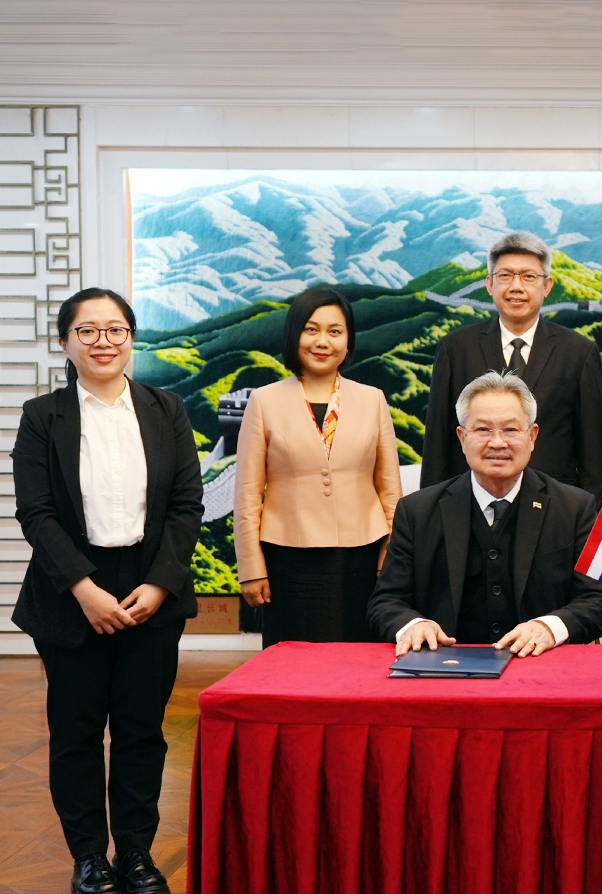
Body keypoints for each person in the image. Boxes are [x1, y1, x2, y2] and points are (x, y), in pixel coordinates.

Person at [12, 288, 203, 894]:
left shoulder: (166, 408)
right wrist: (84, 589)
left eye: (115, 330)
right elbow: (35, 513)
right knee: (76, 732)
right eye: (87, 331)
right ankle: (90, 856)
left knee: (143, 730)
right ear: (65, 342)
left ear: (131, 338)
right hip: (71, 593)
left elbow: (185, 507)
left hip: (151, 588)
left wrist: (159, 583)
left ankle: (138, 853)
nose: (103, 341)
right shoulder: (44, 416)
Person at [369, 371, 602, 656]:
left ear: (533, 436)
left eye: (511, 430)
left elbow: (599, 601)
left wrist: (550, 628)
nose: (497, 442)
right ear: (462, 438)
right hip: (445, 670)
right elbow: (386, 601)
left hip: (542, 669)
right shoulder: (418, 511)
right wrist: (412, 624)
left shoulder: (574, 508)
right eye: (483, 430)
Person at [234, 286, 401, 648]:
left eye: (334, 331)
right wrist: (251, 568)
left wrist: (391, 557)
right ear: (294, 335)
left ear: (348, 340)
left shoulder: (373, 400)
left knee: (359, 658)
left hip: (362, 557)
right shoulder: (264, 401)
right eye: (311, 329)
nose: (322, 341)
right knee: (293, 663)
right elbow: (247, 494)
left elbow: (390, 490)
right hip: (288, 562)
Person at [420, 231, 602, 502]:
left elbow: (592, 455)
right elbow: (438, 444)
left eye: (528, 277)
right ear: (489, 284)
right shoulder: (456, 348)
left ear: (547, 285)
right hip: (469, 507)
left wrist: (591, 523)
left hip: (554, 509)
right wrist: (429, 514)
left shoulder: (578, 352)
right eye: (505, 276)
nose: (516, 286)